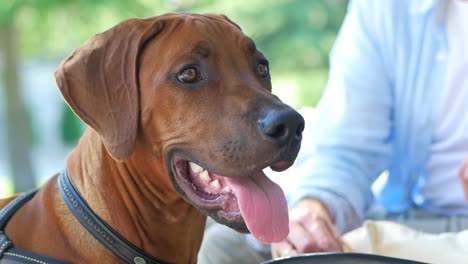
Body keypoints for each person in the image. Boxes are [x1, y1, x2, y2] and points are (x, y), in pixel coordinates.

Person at [198, 0, 468, 263]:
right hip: (404, 216)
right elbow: (348, 147)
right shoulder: (387, 8)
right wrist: (315, 207)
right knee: (221, 246)